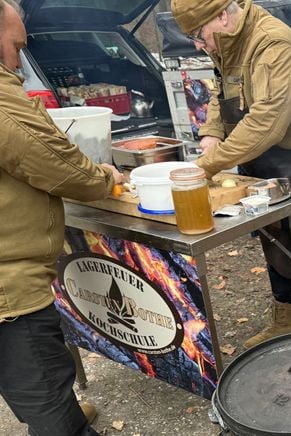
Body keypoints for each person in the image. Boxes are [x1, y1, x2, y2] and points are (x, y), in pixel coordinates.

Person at [171, 0, 291, 348]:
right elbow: (220, 92)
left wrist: (206, 166)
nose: (200, 45)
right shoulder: (228, 43)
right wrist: (211, 132)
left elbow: (267, 122)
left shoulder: (274, 43)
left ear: (221, 15)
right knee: (274, 241)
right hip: (261, 164)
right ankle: (285, 320)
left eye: (199, 35)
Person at [0, 1, 124, 434]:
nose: (18, 61)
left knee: (24, 379)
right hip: (7, 289)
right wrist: (104, 177)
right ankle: (58, 420)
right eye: (16, 47)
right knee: (40, 376)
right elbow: (61, 167)